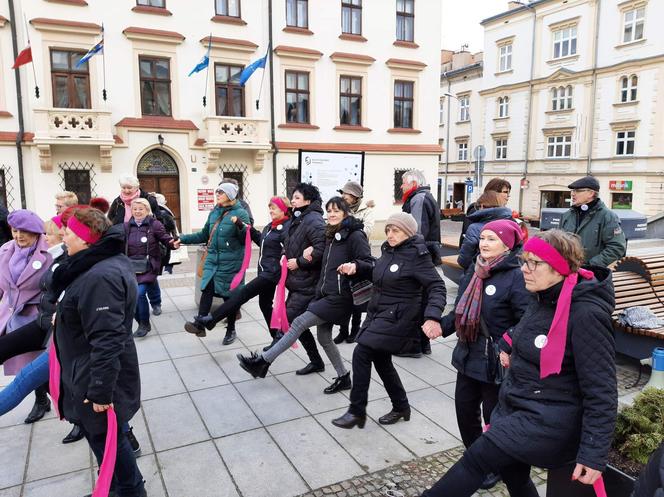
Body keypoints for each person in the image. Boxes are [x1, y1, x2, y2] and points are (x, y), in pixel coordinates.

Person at [420, 229, 617, 497]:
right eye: (524, 260)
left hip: (548, 417)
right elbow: (527, 329)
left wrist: (594, 453)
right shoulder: (542, 296)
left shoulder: (586, 314)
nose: (525, 268)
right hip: (517, 405)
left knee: (476, 459)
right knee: (515, 475)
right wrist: (508, 343)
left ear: (559, 267)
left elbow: (602, 390)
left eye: (534, 263)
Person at [237, 196, 374, 394]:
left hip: (340, 297)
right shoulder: (330, 234)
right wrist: (310, 250)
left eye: (337, 210)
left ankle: (262, 362)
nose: (332, 214)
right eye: (329, 211)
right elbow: (323, 262)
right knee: (325, 337)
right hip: (325, 293)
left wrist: (355, 266)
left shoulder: (355, 235)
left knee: (299, 323)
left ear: (346, 212)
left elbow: (368, 263)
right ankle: (344, 377)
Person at [52, 207, 145, 497]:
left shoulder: (100, 277)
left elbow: (107, 339)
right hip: (85, 369)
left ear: (85, 238)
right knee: (105, 439)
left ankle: (130, 491)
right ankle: (119, 488)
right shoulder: (93, 265)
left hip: (96, 377)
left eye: (68, 231)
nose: (62, 236)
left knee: (108, 439)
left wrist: (100, 390)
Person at [441, 219, 532, 489]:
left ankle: (491, 465)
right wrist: (437, 326)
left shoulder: (516, 275)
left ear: (507, 244)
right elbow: (460, 309)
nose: (484, 243)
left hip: (495, 362)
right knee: (464, 413)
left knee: (493, 417)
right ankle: (476, 457)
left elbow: (528, 318)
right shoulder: (475, 268)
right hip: (467, 354)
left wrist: (508, 342)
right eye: (483, 238)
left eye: (492, 239)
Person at [332, 213, 446, 429]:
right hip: (378, 313)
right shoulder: (389, 250)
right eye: (388, 230)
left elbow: (437, 286)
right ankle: (401, 406)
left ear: (409, 232)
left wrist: (432, 316)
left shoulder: (417, 255)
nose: (390, 234)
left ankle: (357, 411)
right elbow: (378, 270)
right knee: (381, 360)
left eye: (396, 230)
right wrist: (357, 267)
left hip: (399, 317)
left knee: (362, 352)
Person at [184, 197, 290, 349]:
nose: (271, 211)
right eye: (270, 208)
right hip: (265, 270)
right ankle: (278, 339)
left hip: (272, 273)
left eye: (274, 208)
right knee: (265, 305)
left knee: (242, 293)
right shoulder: (270, 227)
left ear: (284, 209)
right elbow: (261, 240)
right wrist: (244, 227)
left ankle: (210, 320)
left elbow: (290, 247)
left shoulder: (287, 228)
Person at [179, 182, 250, 345]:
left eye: (221, 192)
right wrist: (182, 239)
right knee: (207, 290)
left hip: (231, 263)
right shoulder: (214, 213)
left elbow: (245, 239)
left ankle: (231, 329)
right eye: (217, 192)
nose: (217, 195)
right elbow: (204, 234)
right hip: (212, 261)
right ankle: (200, 325)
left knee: (228, 297)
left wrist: (240, 226)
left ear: (230, 196)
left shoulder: (241, 213)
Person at [0, 209, 52, 424]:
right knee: (25, 367)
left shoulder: (49, 255)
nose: (19, 236)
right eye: (15, 231)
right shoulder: (4, 251)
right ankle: (42, 400)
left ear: (37, 234)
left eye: (25, 232)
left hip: (35, 318)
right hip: (10, 315)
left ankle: (69, 410)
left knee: (38, 367)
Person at [276, 183, 327, 375]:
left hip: (308, 282)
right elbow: (290, 242)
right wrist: (284, 253)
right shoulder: (299, 218)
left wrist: (299, 262)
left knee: (291, 319)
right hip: (298, 281)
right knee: (296, 320)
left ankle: (265, 359)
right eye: (293, 197)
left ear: (308, 200)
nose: (293, 200)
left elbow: (320, 249)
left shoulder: (313, 220)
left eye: (297, 197)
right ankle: (316, 361)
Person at [125, 198, 178, 338]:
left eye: (141, 209)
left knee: (139, 293)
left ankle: (144, 323)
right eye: (135, 209)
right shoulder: (126, 227)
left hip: (149, 265)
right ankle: (144, 315)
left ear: (147, 210)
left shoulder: (155, 225)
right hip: (131, 267)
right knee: (134, 294)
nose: (137, 211)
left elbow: (166, 239)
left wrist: (173, 244)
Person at [334, 181, 375, 344]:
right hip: (342, 256)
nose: (343, 196)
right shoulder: (341, 208)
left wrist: (349, 225)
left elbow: (367, 231)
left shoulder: (367, 211)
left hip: (359, 257)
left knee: (357, 294)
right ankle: (343, 330)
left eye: (347, 194)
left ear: (356, 197)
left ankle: (355, 330)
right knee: (343, 295)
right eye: (343, 193)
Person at [559, 175, 627, 267]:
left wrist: (591, 265)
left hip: (592, 275)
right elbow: (558, 243)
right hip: (566, 270)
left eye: (577, 191)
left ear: (591, 193)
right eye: (572, 191)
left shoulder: (607, 216)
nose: (572, 194)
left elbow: (617, 247)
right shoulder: (567, 215)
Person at [457, 191, 514, 270]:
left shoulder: (475, 228)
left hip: (480, 272)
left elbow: (463, 261)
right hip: (506, 271)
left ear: (482, 206)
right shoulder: (512, 224)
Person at [459, 178, 512, 246]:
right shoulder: (476, 209)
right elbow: (469, 237)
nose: (508, 195)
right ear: (493, 192)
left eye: (509, 192)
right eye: (505, 192)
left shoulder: (503, 212)